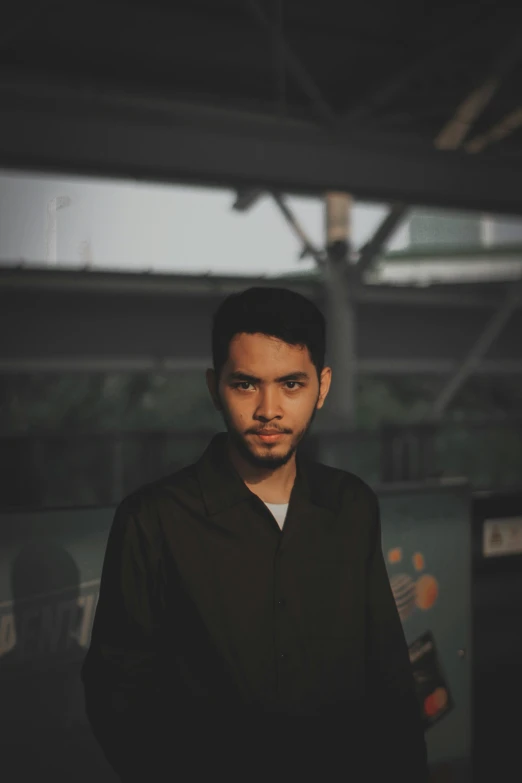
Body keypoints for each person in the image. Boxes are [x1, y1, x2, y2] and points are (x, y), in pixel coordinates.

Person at [82, 286, 428, 782]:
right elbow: (117, 691)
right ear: (214, 386)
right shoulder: (153, 519)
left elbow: (389, 676)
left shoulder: (351, 505)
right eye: (246, 385)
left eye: (291, 384)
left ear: (322, 386)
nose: (269, 409)